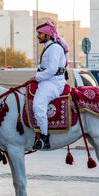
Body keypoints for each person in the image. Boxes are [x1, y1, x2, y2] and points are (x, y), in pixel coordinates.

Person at [32, 20, 69, 150]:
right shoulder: (49, 47)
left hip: (53, 83)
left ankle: (44, 137)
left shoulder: (54, 48)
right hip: (48, 80)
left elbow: (52, 69)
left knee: (38, 104)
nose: (38, 36)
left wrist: (37, 77)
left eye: (40, 34)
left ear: (47, 35)